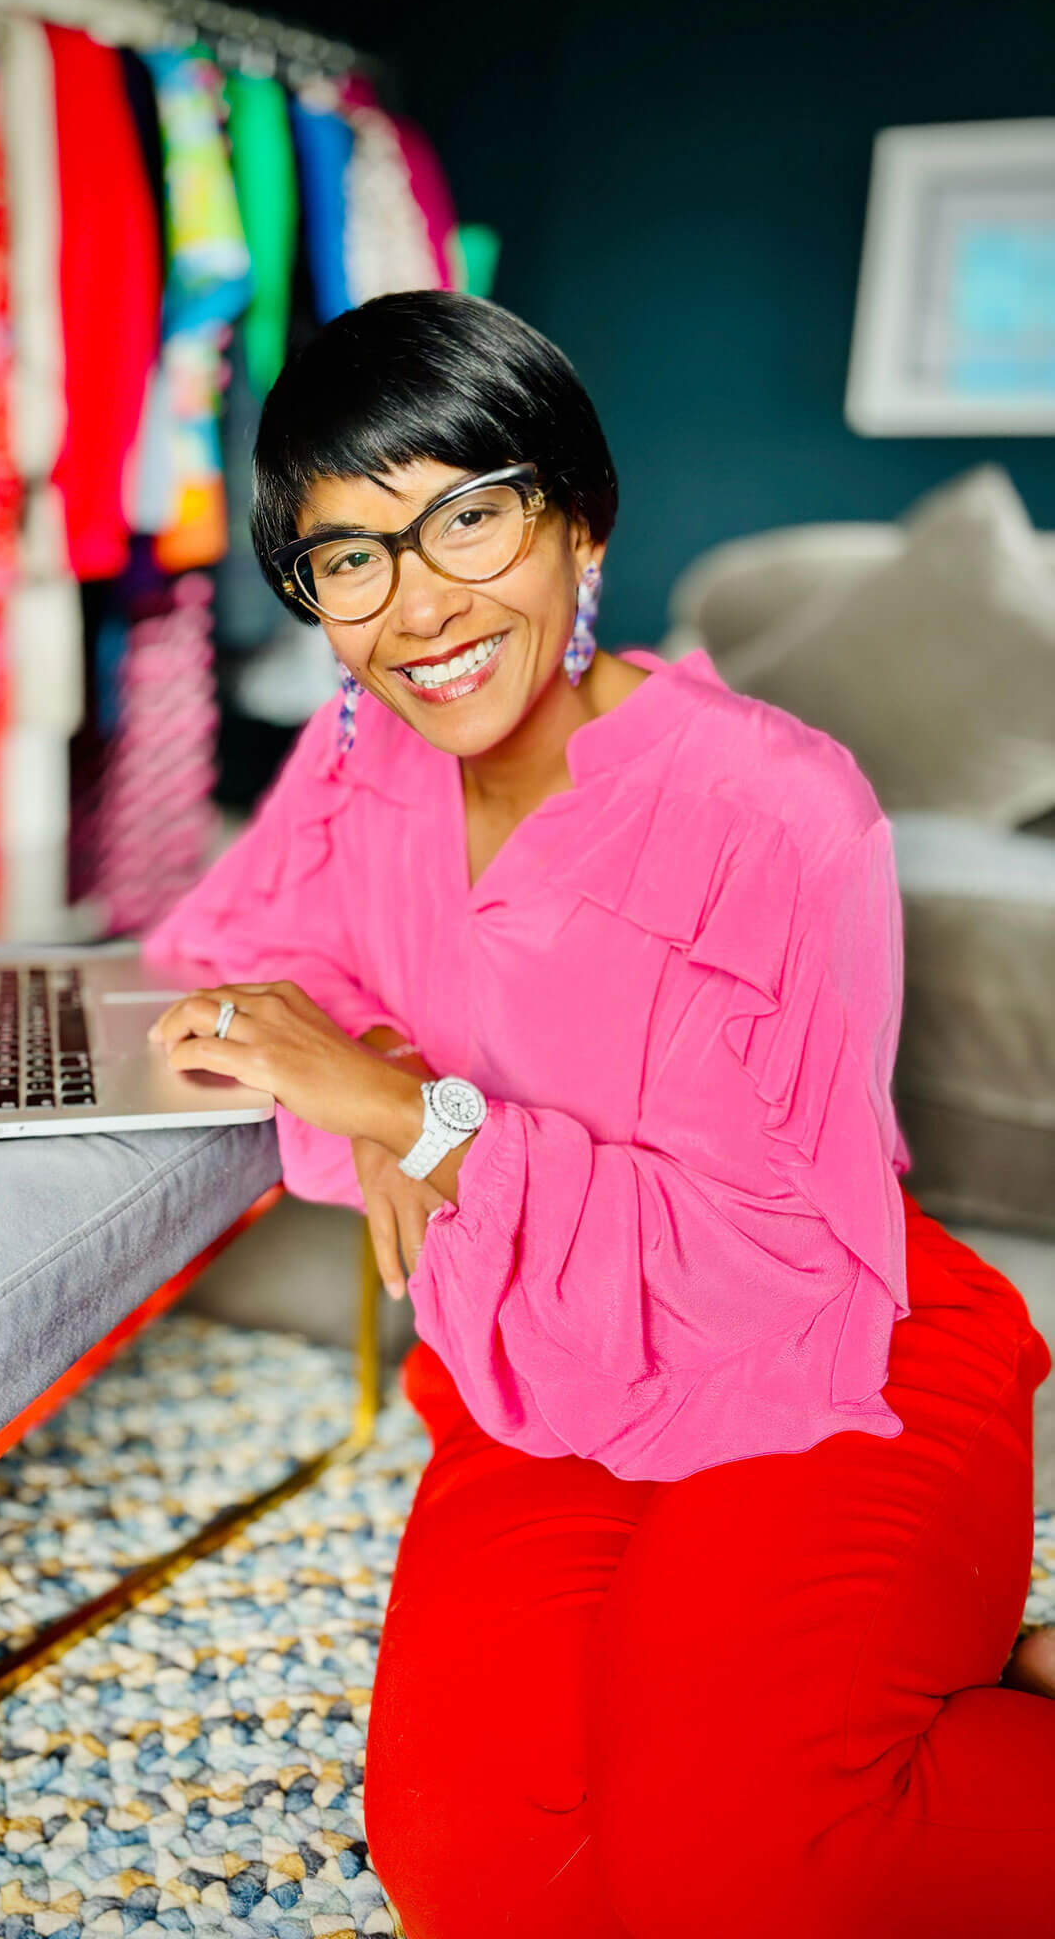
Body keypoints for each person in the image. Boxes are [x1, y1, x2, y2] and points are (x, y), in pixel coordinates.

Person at [138, 288, 1055, 1938]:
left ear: (579, 525)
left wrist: (411, 1120)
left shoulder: (775, 807)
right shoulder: (359, 757)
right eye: (351, 558)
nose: (417, 608)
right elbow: (230, 959)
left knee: (753, 1872)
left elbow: (767, 1246)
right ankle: (944, 1678)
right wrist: (378, 1093)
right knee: (487, 1886)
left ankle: (922, 1687)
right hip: (537, 1380)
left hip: (827, 1351)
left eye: (468, 520)